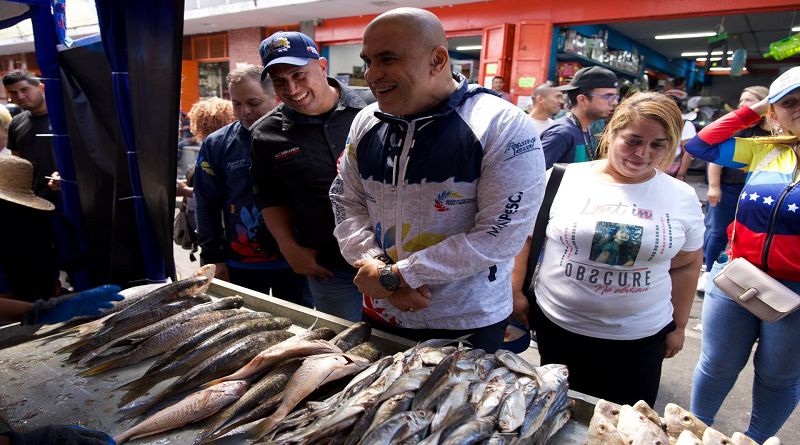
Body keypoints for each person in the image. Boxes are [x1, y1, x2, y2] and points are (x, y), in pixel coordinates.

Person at [330, 7, 545, 352]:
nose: (372, 74)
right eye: (368, 60)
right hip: (382, 306)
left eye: (387, 59)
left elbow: (501, 235)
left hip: (467, 320)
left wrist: (398, 276)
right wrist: (380, 269)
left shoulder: (501, 124)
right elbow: (346, 200)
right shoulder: (367, 120)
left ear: (437, 59)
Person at [512, 92, 704, 406]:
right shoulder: (562, 179)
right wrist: (514, 291)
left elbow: (687, 264)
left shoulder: (680, 196)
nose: (642, 154)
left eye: (658, 145)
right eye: (633, 140)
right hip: (559, 328)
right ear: (612, 132)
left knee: (624, 426)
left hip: (640, 340)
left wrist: (679, 325)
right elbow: (526, 238)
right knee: (558, 414)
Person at [686, 67, 800, 443]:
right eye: (791, 103)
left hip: (796, 295)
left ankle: (753, 440)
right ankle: (691, 431)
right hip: (737, 276)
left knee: (778, 377)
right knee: (717, 364)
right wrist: (758, 108)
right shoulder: (767, 152)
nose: (799, 110)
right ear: (774, 115)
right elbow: (701, 145)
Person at [250, 31, 374, 322]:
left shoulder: (376, 109)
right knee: (343, 349)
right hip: (330, 268)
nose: (291, 89)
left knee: (408, 351)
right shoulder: (266, 133)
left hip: (396, 261)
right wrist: (290, 248)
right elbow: (270, 197)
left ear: (321, 65)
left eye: (299, 74)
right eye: (279, 80)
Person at [193, 64, 306, 304]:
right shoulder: (217, 144)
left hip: (299, 261)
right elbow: (206, 203)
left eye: (253, 103)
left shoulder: (302, 134)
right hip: (239, 262)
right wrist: (211, 255)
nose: (244, 111)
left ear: (275, 97)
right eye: (236, 104)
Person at [700, 86, 770, 278]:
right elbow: (714, 157)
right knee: (718, 232)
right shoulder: (738, 130)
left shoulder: (776, 130)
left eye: (748, 100)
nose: (743, 104)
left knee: (748, 234)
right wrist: (714, 186)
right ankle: (708, 269)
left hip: (759, 192)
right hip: (728, 188)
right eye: (741, 100)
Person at [540, 66, 619, 169]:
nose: (614, 103)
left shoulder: (585, 128)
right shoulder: (561, 134)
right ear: (582, 100)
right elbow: (534, 176)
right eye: (607, 96)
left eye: (615, 97)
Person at [3, 69, 60, 207]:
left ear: (41, 87)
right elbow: (18, 164)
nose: (20, 96)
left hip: (69, 194)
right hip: (34, 199)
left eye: (25, 89)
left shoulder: (63, 117)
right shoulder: (16, 123)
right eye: (14, 93)